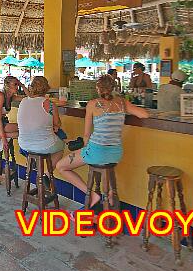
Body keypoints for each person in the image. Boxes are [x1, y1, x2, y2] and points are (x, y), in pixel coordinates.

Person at [56, 74, 149, 211]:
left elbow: (87, 136)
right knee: (104, 167)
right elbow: (144, 114)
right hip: (115, 154)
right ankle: (110, 194)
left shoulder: (93, 104)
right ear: (113, 88)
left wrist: (82, 149)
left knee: (61, 166)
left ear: (98, 89)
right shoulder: (122, 103)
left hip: (96, 152)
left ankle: (93, 195)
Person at [17, 76, 64, 169]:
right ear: (46, 88)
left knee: (46, 141)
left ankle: (34, 163)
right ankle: (46, 175)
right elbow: (58, 124)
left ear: (32, 87)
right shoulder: (50, 104)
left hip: (23, 144)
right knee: (61, 147)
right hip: (45, 145)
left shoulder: (23, 101)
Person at [0, 76, 28, 152]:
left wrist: (22, 85)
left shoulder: (11, 97)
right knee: (24, 129)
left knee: (24, 131)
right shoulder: (1, 96)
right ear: (8, 85)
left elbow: (29, 97)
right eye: (15, 84)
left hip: (4, 121)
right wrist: (4, 139)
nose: (17, 86)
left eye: (17, 84)